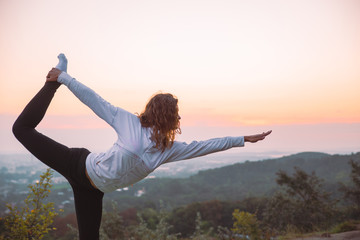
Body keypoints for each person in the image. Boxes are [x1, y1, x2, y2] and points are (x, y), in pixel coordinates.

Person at [12, 54, 272, 240]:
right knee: (21, 129)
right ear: (165, 114)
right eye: (176, 114)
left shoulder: (168, 149)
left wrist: (243, 139)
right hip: (78, 164)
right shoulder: (129, 122)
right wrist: (65, 78)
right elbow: (95, 100)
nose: (179, 119)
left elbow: (204, 146)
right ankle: (51, 83)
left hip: (93, 191)